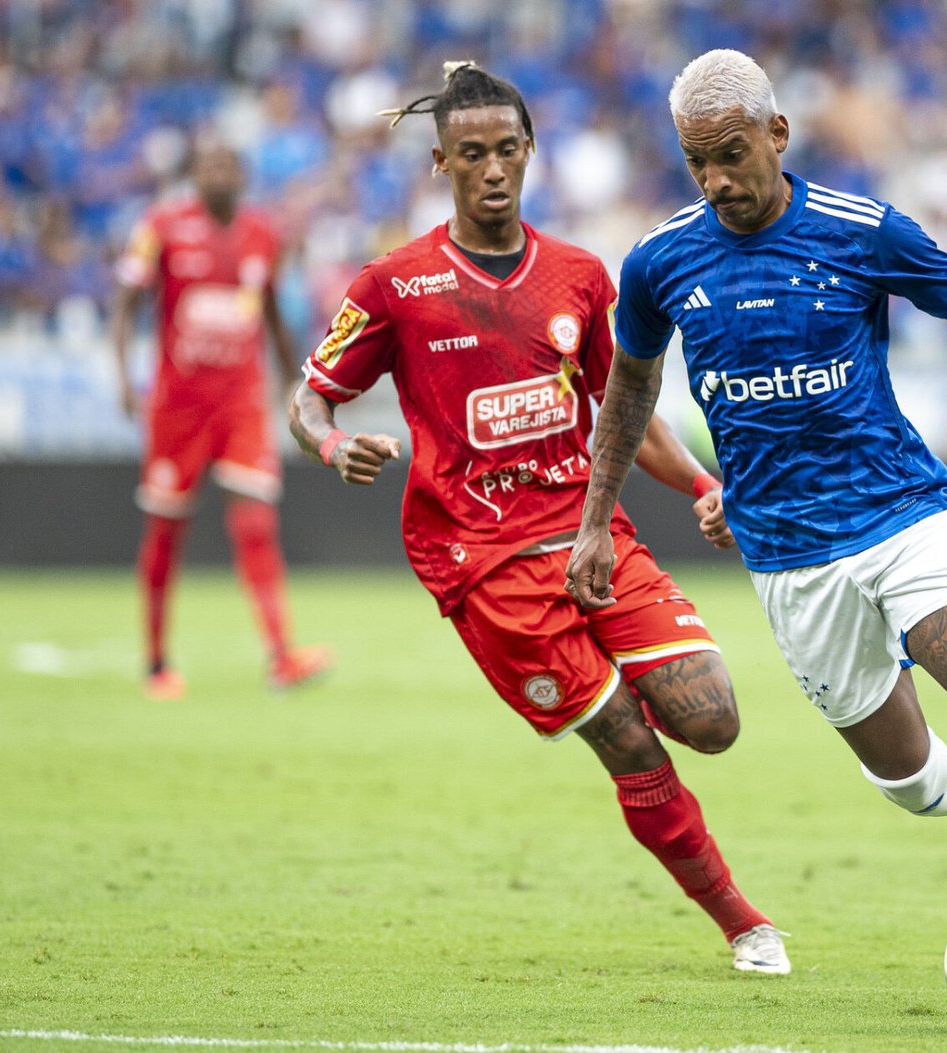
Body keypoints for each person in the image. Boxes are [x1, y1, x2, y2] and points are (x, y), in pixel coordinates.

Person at [567, 49, 947, 1004]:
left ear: (779, 133)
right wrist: (596, 521)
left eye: (732, 154)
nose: (718, 180)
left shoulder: (863, 232)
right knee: (907, 775)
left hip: (902, 511)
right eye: (698, 163)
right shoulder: (659, 262)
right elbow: (630, 388)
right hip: (787, 555)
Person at [287, 62, 789, 975]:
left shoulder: (579, 275)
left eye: (507, 151)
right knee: (626, 738)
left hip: (591, 538)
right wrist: (329, 446)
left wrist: (704, 490)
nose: (492, 170)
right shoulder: (394, 285)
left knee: (713, 718)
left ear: (530, 153)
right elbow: (311, 399)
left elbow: (624, 412)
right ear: (441, 161)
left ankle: (609, 672)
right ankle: (744, 923)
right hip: (483, 563)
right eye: (471, 154)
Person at [113, 141, 331, 700]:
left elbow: (275, 316)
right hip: (176, 407)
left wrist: (299, 386)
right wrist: (122, 375)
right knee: (166, 530)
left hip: (239, 401)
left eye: (227, 166)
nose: (217, 175)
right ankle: (157, 661)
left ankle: (282, 656)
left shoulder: (264, 234)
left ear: (243, 175)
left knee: (257, 523)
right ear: (194, 174)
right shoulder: (161, 226)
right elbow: (126, 301)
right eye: (207, 165)